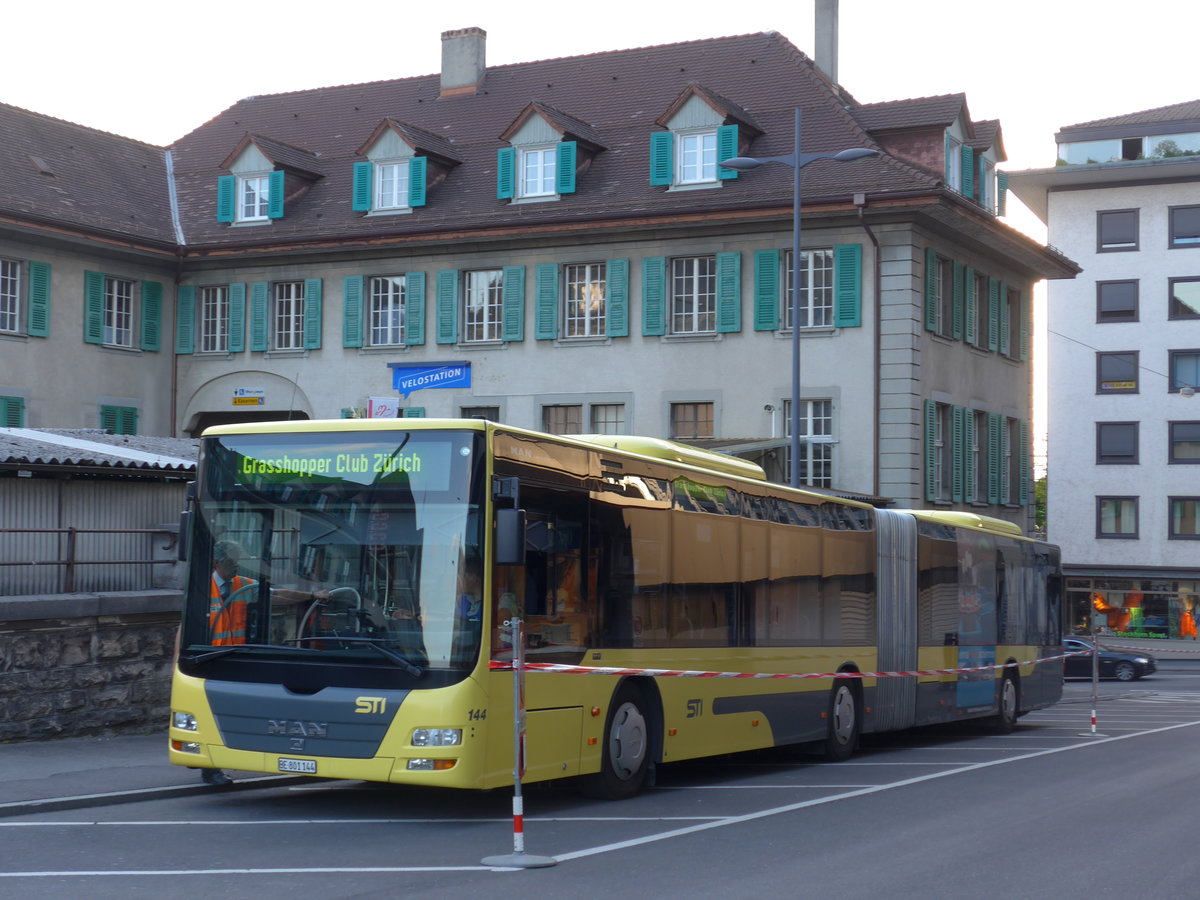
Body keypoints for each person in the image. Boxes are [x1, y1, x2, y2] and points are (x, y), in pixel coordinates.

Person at [202, 540, 330, 786]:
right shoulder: (202, 588)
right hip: (210, 662)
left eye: (238, 561)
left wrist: (311, 596)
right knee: (211, 716)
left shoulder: (241, 585)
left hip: (236, 661)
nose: (236, 566)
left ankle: (233, 760)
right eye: (232, 562)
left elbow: (278, 595)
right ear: (217, 563)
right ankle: (210, 769)